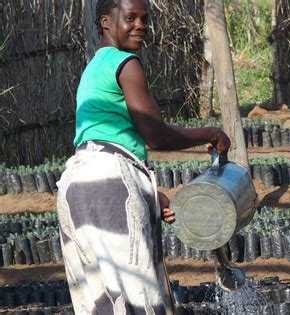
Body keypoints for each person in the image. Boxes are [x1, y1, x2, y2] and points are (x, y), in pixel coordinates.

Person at [56, 0, 231, 313]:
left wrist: (149, 193)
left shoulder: (95, 66)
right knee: (137, 298)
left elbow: (104, 145)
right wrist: (211, 134)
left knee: (100, 302)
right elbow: (156, 135)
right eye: (131, 18)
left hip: (76, 185)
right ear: (106, 22)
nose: (140, 25)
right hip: (109, 184)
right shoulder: (126, 63)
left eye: (144, 19)